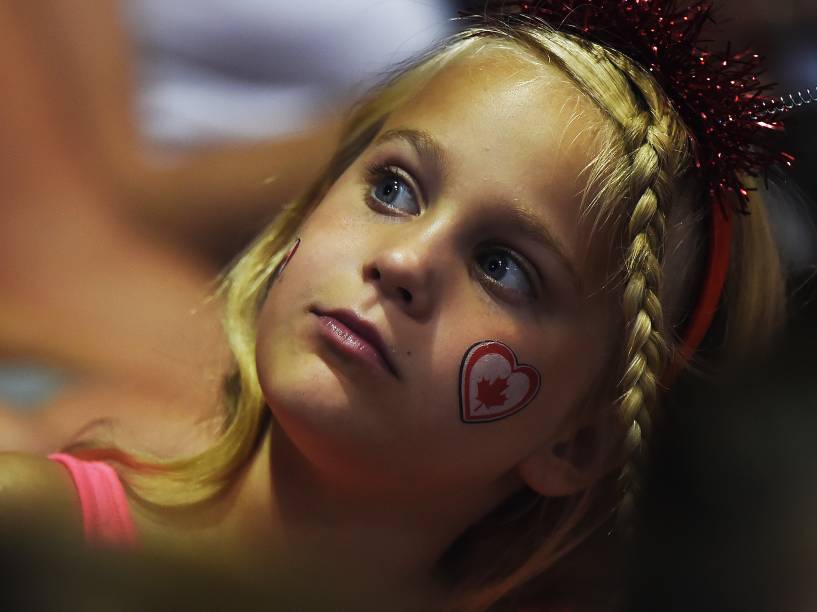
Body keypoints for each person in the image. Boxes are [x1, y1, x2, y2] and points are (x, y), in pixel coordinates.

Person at [0, 3, 790, 611]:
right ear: (295, 226)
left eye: (504, 267)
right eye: (392, 189)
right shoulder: (29, 536)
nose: (403, 261)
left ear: (578, 442)